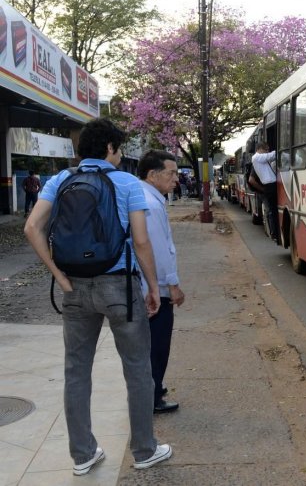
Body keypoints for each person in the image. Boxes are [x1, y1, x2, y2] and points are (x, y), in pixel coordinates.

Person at [23, 118, 172, 474]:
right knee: (137, 369)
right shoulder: (127, 184)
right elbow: (140, 241)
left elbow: (32, 227)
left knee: (76, 371)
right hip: (118, 285)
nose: (120, 156)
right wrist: (153, 287)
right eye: (119, 149)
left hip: (74, 286)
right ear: (109, 148)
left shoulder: (59, 180)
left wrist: (58, 274)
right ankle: (144, 450)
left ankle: (83, 454)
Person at [137, 150, 186, 415]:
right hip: (153, 290)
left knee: (150, 343)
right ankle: (153, 396)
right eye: (172, 173)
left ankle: (153, 387)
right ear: (153, 175)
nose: (176, 179)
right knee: (157, 344)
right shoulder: (151, 205)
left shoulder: (143, 196)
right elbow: (156, 250)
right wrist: (171, 286)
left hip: (146, 286)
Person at [251, 142, 279, 242]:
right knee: (273, 211)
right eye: (266, 150)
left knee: (274, 210)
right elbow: (271, 155)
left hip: (270, 186)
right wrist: (280, 148)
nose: (267, 151)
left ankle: (275, 232)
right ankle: (275, 233)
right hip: (269, 186)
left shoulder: (260, 159)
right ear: (260, 149)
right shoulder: (257, 157)